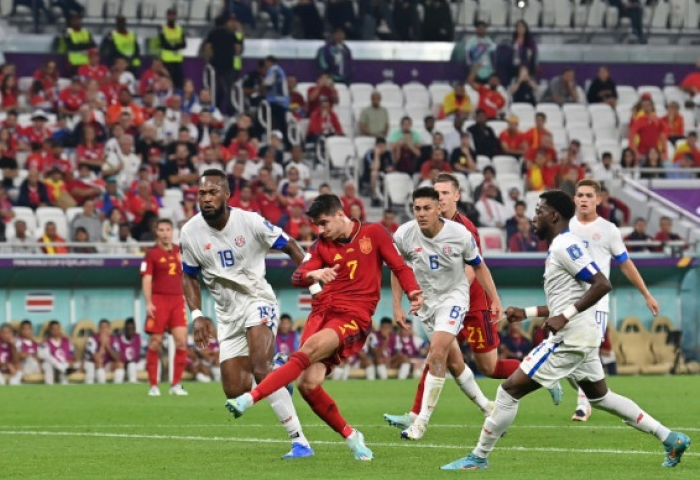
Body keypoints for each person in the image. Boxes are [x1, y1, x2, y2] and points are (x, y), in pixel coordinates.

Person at [442, 190, 689, 470]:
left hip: (572, 337)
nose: (534, 217)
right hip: (583, 334)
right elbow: (566, 299)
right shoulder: (561, 246)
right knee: (601, 397)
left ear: (554, 215)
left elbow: (602, 284)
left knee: (509, 390)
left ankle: (478, 457)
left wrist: (566, 316)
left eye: (539, 211)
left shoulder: (565, 246)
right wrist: (528, 313)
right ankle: (670, 438)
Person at [224, 193, 422, 460]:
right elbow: (297, 276)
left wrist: (413, 292)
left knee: (308, 351)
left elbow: (399, 266)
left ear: (341, 215)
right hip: (321, 313)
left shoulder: (374, 234)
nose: (321, 229)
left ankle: (250, 398)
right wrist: (312, 274)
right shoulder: (320, 246)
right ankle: (352, 437)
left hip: (354, 314)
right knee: (308, 384)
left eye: (324, 223)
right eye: (317, 225)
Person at [181, 169, 313, 459]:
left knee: (260, 367)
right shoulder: (189, 232)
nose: (206, 198)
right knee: (235, 390)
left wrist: (312, 279)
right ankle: (278, 370)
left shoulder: (250, 221)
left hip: (257, 299)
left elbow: (288, 244)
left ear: (227, 195)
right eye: (202, 193)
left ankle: (299, 441)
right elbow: (189, 275)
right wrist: (197, 315)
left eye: (213, 192)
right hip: (227, 314)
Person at [385, 174, 513, 433]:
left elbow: (479, 267)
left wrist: (495, 300)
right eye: (417, 208)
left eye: (428, 207)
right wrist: (398, 304)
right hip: (427, 304)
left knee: (437, 352)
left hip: (455, 298)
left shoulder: (461, 233)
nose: (421, 213)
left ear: (440, 207)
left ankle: (419, 422)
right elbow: (398, 269)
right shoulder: (404, 234)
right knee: (454, 363)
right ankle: (489, 408)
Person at [562, 180, 660, 419]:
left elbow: (625, 264)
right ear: (574, 199)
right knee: (566, 361)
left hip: (596, 304)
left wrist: (646, 294)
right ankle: (594, 395)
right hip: (569, 303)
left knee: (588, 352)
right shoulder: (565, 227)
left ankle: (583, 405)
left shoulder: (608, 230)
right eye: (580, 195)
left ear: (598, 199)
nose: (584, 199)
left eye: (588, 195)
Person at [141, 218, 190, 396]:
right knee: (155, 343)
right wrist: (148, 303)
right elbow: (146, 279)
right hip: (159, 300)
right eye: (161, 229)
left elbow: (189, 275)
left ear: (172, 231)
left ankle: (176, 384)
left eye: (168, 229)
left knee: (182, 342)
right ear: (157, 232)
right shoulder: (151, 254)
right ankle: (153, 385)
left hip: (177, 300)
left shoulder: (180, 252)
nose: (165, 233)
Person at [158, 8, 186, 88]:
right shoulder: (163, 28)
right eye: (170, 15)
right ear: (167, 16)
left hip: (177, 60)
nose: (172, 17)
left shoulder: (179, 29)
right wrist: (176, 45)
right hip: (167, 60)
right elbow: (163, 44)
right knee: (168, 82)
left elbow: (184, 44)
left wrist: (173, 45)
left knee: (179, 82)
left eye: (173, 15)